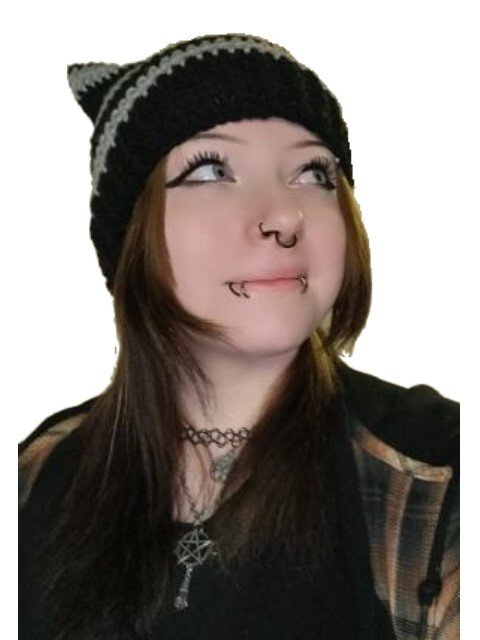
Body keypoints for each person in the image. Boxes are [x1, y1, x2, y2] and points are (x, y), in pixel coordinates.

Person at [18, 32, 459, 640]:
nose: (284, 215)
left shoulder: (437, 471)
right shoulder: (35, 475)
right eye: (211, 170)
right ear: (132, 236)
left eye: (313, 172)